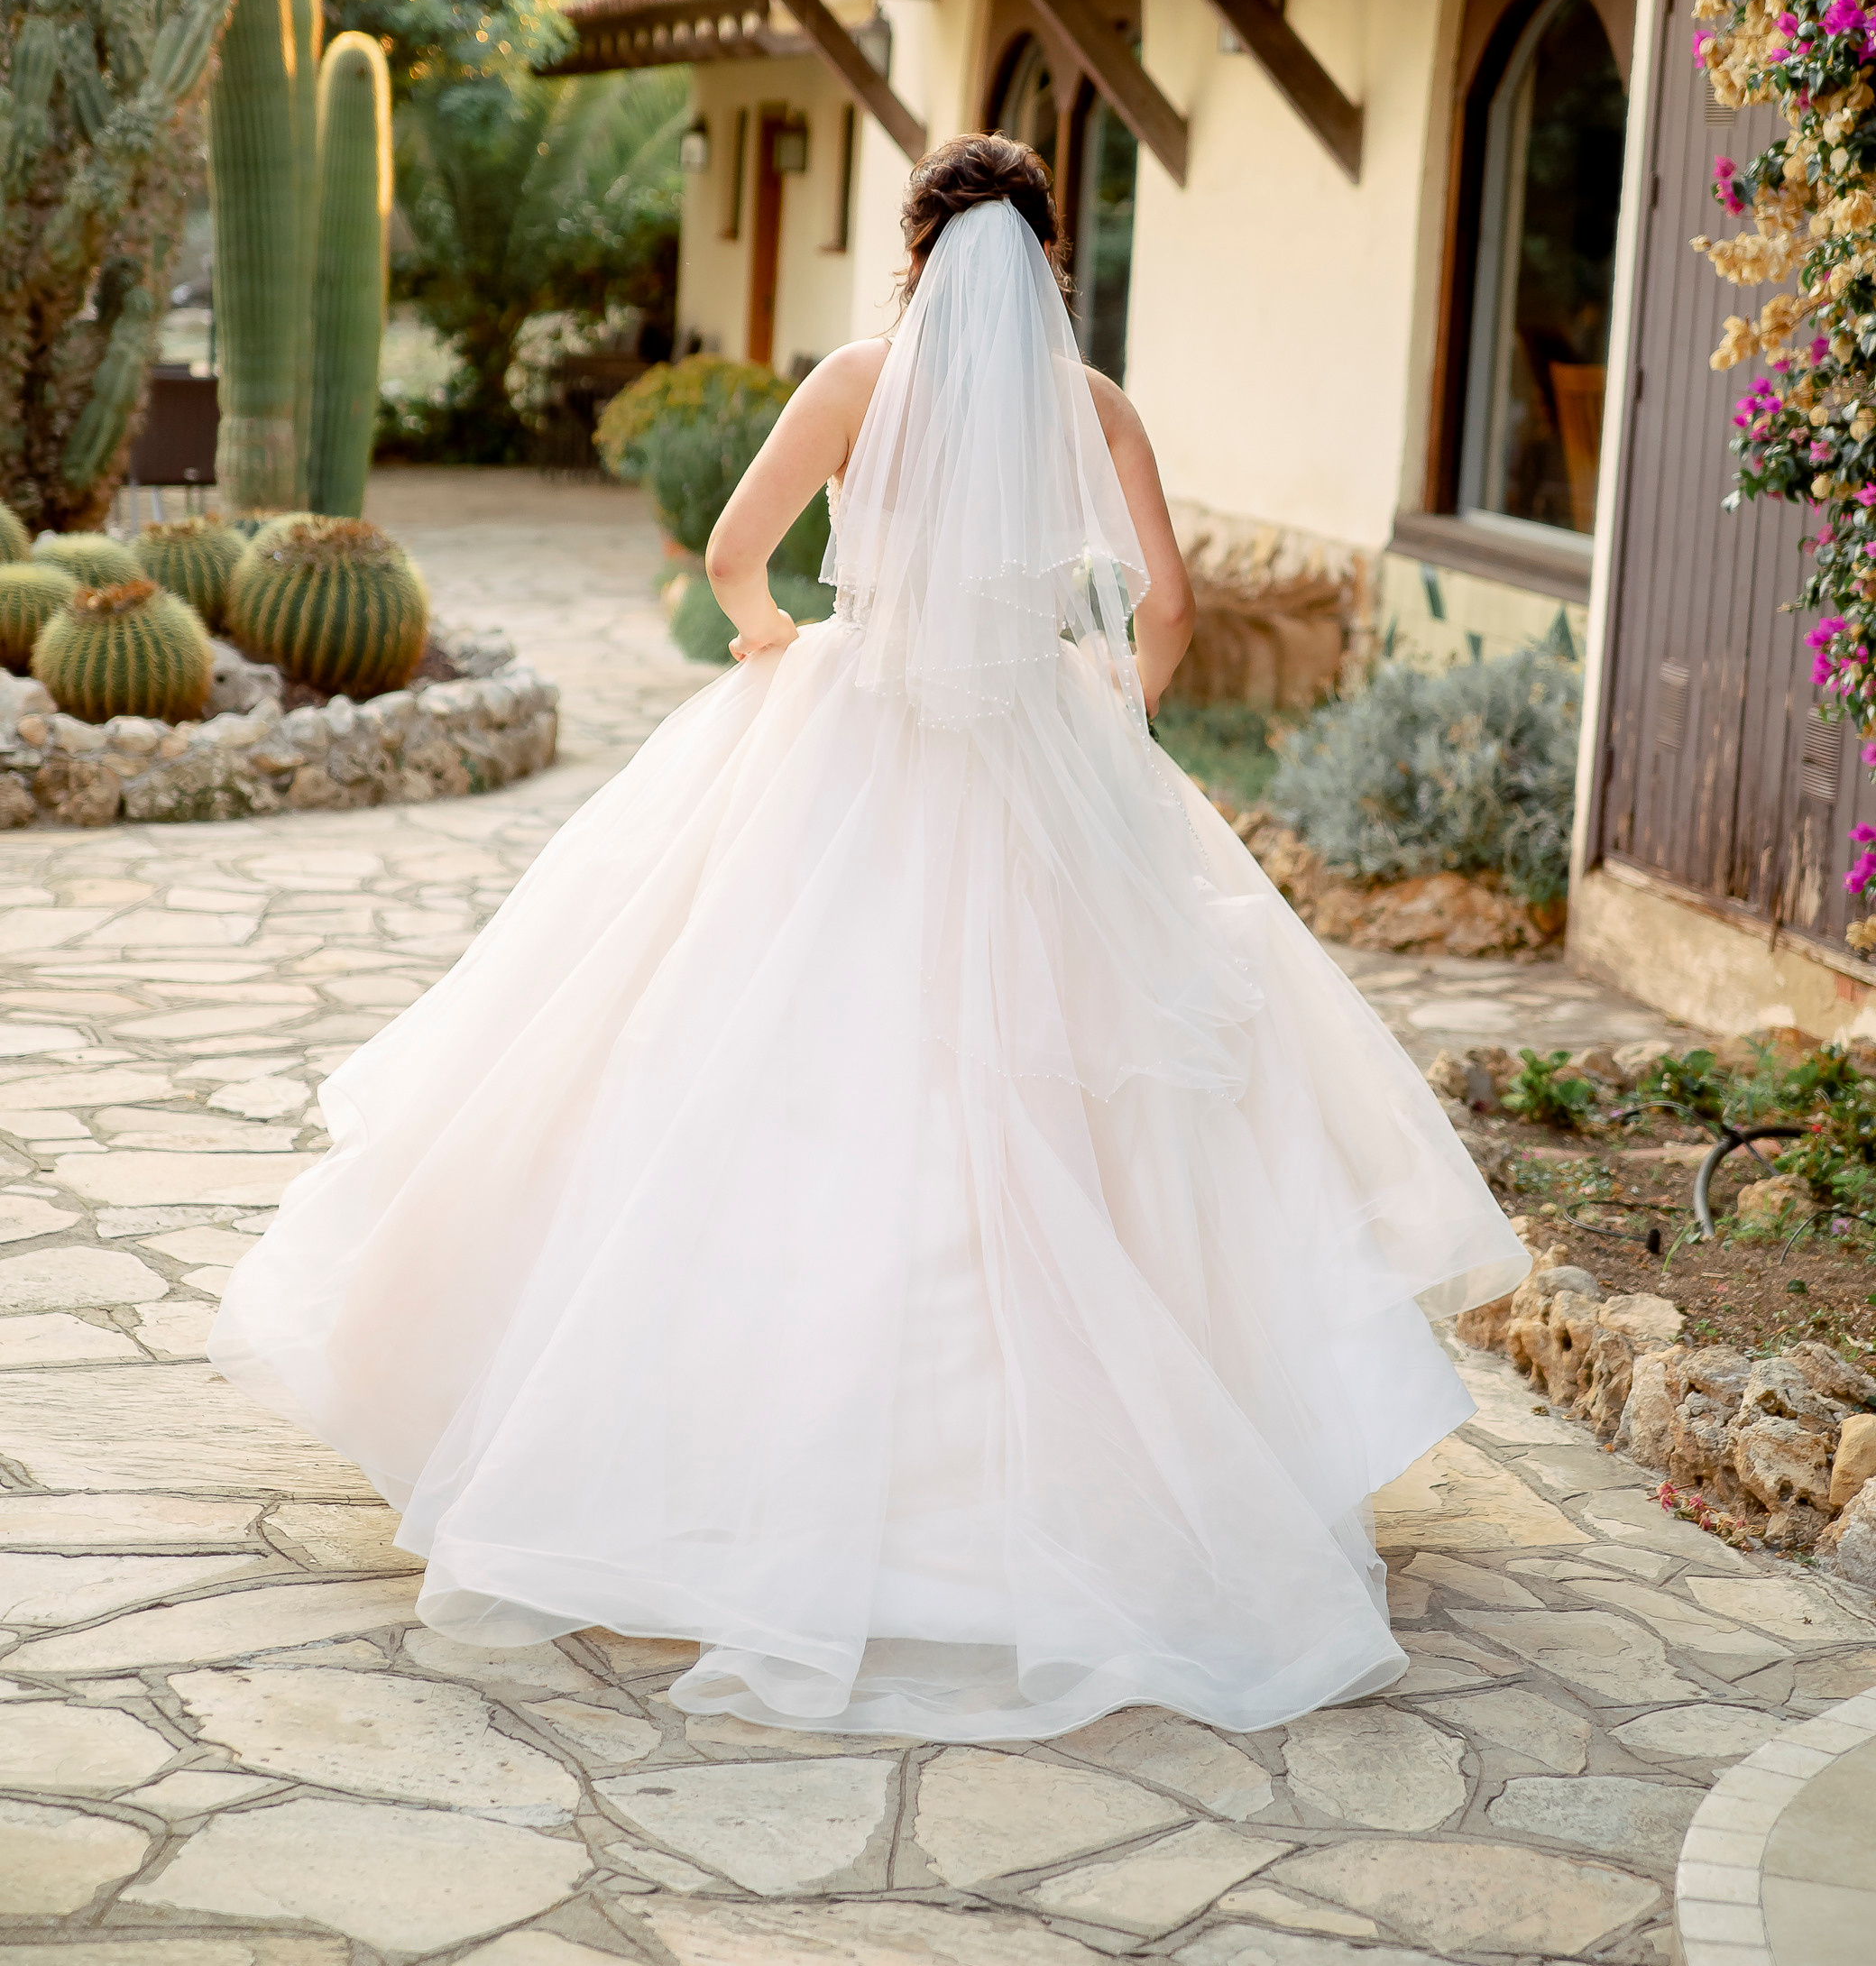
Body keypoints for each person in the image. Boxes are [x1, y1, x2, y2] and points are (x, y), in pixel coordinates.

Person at [213, 133, 1526, 1742]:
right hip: (1041, 740)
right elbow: (1168, 602)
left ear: (915, 256)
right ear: (1050, 262)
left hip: (856, 720)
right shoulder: (1093, 406)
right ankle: (1128, 1479)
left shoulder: (854, 378)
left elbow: (730, 562)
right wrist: (1105, 723)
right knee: (1082, 1103)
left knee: (747, 1055)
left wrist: (781, 650)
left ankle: (708, 1461)